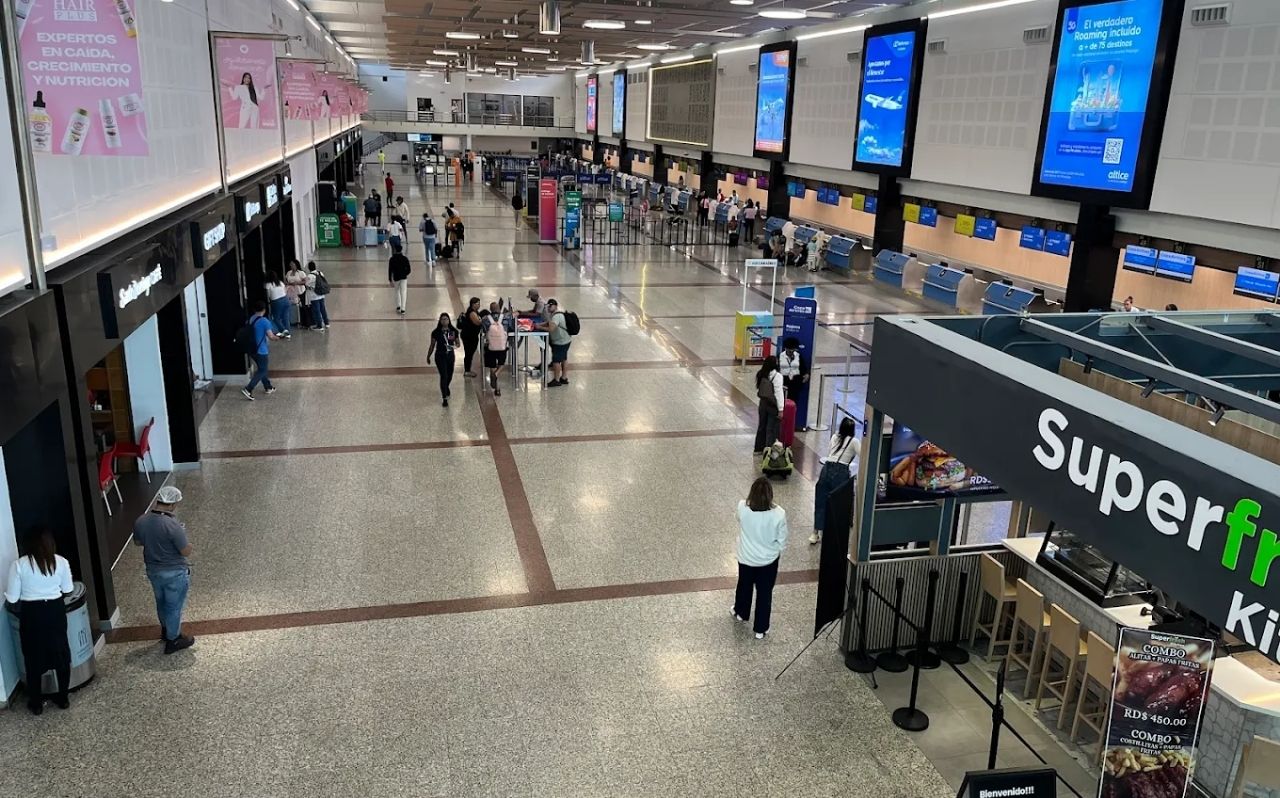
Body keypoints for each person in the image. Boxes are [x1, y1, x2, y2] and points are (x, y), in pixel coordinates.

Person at [4, 526, 73, 713]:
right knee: (60, 653)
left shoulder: (19, 565)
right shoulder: (61, 562)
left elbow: (11, 598)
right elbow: (68, 590)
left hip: (32, 614)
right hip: (55, 610)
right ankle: (63, 698)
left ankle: (36, 703)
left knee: (33, 657)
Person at [132, 486, 195, 654]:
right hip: (174, 572)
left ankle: (165, 630)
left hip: (153, 571)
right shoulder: (173, 526)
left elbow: (138, 543)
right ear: (173, 504)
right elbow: (185, 551)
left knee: (161, 603)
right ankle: (173, 640)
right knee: (174, 606)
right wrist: (190, 544)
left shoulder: (141, 521)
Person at [733, 477, 789, 640]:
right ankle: (760, 628)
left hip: (746, 558)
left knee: (744, 585)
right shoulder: (779, 514)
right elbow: (782, 539)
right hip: (768, 561)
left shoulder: (742, 507)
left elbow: (738, 518)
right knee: (765, 593)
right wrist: (775, 551)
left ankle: (741, 613)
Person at [811, 418, 858, 544]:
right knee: (838, 504)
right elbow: (863, 455)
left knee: (820, 501)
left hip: (826, 469)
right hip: (841, 472)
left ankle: (815, 533)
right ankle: (833, 532)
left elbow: (830, 453)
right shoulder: (854, 441)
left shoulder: (834, 437)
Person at [242, 300, 281, 399]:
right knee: (262, 370)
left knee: (261, 368)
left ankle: (268, 387)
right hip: (261, 350)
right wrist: (278, 337)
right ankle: (248, 388)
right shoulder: (264, 321)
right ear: (264, 309)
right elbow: (271, 336)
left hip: (251, 349)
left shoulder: (251, 319)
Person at [426, 312, 459, 406]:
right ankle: (444, 397)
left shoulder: (453, 331)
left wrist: (453, 346)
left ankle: (446, 387)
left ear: (449, 320)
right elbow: (432, 345)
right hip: (440, 356)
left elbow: (458, 343)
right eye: (442, 319)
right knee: (443, 375)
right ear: (440, 321)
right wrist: (428, 356)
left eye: (446, 319)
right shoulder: (436, 332)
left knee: (450, 375)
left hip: (450, 356)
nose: (444, 321)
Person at [753, 355, 784, 454]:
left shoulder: (761, 374)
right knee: (771, 428)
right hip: (772, 405)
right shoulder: (777, 376)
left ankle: (758, 448)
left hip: (763, 403)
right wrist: (781, 409)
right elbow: (778, 393)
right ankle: (768, 450)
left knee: (762, 426)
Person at [539, 299, 572, 387]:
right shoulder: (558, 313)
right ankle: (564, 378)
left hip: (560, 342)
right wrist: (539, 325)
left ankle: (556, 380)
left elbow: (551, 328)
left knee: (556, 361)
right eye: (548, 306)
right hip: (566, 339)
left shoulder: (556, 316)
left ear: (555, 306)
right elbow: (549, 323)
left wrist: (540, 328)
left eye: (551, 305)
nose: (549, 307)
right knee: (564, 358)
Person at [484, 305, 509, 396]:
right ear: (499, 309)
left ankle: (496, 387)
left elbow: (483, 330)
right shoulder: (505, 318)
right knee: (501, 364)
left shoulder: (486, 319)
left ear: (490, 309)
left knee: (492, 366)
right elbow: (510, 328)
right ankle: (497, 374)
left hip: (490, 347)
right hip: (502, 347)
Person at [458, 297, 483, 377]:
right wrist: (483, 320)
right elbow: (478, 323)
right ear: (473, 304)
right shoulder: (471, 313)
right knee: (469, 353)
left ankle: (467, 369)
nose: (479, 305)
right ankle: (467, 371)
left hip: (470, 335)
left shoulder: (474, 311)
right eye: (477, 304)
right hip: (469, 336)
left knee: (470, 353)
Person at [778, 337, 808, 402]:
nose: (791, 351)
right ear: (786, 348)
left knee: (792, 404)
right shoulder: (780, 357)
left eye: (793, 349)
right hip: (783, 385)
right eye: (790, 349)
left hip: (795, 386)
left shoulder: (798, 356)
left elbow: (803, 369)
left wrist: (806, 375)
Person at [264, 270, 291, 338]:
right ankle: (287, 333)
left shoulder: (268, 284)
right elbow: (284, 291)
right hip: (285, 299)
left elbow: (268, 295)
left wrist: (269, 303)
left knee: (276, 318)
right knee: (286, 317)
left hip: (276, 301)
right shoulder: (280, 282)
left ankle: (284, 331)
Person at [305, 261, 330, 332]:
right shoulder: (320, 273)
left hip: (314, 296)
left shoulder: (309, 276)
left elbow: (306, 284)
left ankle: (319, 325)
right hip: (321, 294)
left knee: (317, 311)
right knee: (323, 309)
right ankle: (326, 323)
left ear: (309, 268)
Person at [284, 259, 309, 330]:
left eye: (292, 264)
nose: (291, 266)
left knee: (303, 307)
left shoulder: (301, 273)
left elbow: (305, 281)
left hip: (300, 292)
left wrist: (297, 283)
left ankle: (305, 323)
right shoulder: (289, 273)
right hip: (291, 292)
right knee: (294, 307)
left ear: (296, 265)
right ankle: (295, 321)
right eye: (290, 265)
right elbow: (286, 279)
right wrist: (287, 283)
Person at [388, 245, 411, 315]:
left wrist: (390, 280)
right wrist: (405, 274)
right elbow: (409, 270)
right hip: (403, 277)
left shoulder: (392, 259)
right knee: (403, 292)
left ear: (395, 250)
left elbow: (390, 270)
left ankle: (398, 306)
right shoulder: (405, 259)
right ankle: (403, 309)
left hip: (396, 278)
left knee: (397, 291)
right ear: (401, 250)